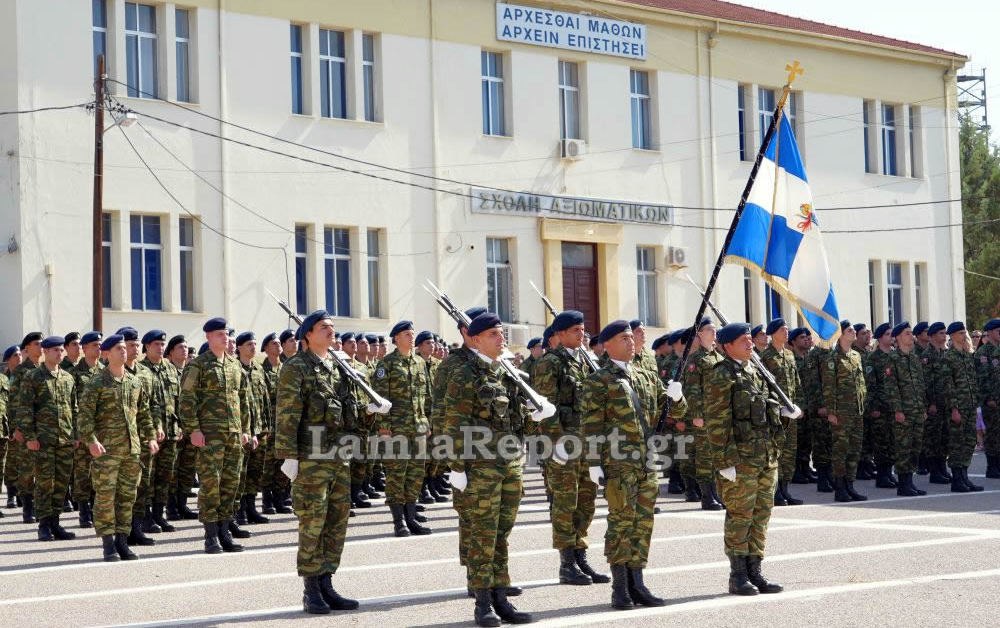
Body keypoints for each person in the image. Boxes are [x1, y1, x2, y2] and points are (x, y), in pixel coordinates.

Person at [443, 313, 546, 626]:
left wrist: (534, 415)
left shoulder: (506, 371)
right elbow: (454, 424)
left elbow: (515, 420)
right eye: (493, 335)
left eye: (501, 334)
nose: (501, 339)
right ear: (476, 339)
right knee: (482, 535)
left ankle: (501, 598)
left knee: (502, 534)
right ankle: (483, 602)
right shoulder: (464, 372)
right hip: (481, 467)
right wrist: (457, 466)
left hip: (509, 463)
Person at [582, 320, 685, 610]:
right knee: (621, 523)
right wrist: (593, 462)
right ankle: (620, 588)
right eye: (624, 338)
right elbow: (591, 425)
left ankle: (638, 583)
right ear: (607, 345)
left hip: (646, 462)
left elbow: (672, 411)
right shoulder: (598, 380)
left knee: (643, 523)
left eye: (631, 338)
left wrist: (677, 397)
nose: (631, 342)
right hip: (618, 464)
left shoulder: (644, 376)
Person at [275, 310, 360, 615]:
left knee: (337, 520)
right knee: (313, 521)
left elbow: (349, 410)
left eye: (333, 327)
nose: (331, 331)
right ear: (308, 334)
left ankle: (327, 582)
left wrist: (371, 410)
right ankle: (311, 589)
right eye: (325, 327)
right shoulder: (295, 368)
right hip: (311, 458)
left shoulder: (339, 367)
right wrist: (288, 455)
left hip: (338, 457)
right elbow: (287, 415)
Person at [704, 322, 798, 596]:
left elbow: (764, 408)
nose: (750, 344)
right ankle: (738, 575)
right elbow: (717, 422)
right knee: (740, 516)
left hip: (765, 456)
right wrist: (725, 462)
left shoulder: (756, 371)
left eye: (750, 340)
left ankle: (756, 571)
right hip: (741, 459)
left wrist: (783, 411)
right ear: (727, 345)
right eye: (743, 340)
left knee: (761, 515)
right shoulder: (721, 376)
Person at [533, 310, 606, 586]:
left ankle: (580, 555)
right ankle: (566, 563)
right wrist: (557, 442)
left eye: (583, 329)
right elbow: (546, 407)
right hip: (564, 446)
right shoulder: (550, 363)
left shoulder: (587, 362)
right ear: (560, 334)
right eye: (575, 330)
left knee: (586, 502)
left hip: (587, 444)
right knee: (565, 502)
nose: (582, 334)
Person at [77, 334, 158, 561]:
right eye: (118, 349)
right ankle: (108, 544)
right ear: (107, 353)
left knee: (127, 497)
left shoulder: (134, 382)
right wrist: (91, 441)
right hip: (107, 452)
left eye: (125, 348)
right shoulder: (96, 383)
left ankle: (123, 540)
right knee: (105, 497)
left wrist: (150, 437)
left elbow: (143, 413)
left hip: (132, 451)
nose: (124, 352)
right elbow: (84, 417)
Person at [178, 317, 251, 553]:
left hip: (233, 434)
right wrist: (194, 429)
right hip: (210, 436)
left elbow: (243, 400)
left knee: (231, 484)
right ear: (208, 337)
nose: (225, 338)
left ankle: (224, 530)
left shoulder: (234, 365)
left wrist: (246, 430)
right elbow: (187, 400)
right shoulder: (198, 365)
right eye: (220, 334)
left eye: (227, 334)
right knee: (211, 484)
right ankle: (210, 535)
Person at [372, 321, 432, 536]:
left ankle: (411, 518)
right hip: (395, 429)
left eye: (412, 334)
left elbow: (426, 397)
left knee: (415, 475)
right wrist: (384, 428)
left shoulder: (419, 363)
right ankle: (399, 522)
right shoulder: (386, 364)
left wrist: (427, 423)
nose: (411, 337)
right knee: (397, 475)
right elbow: (381, 400)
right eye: (407, 334)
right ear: (396, 338)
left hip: (418, 428)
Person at [17, 336, 78, 541]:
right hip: (42, 441)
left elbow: (74, 409)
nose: (59, 353)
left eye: (62, 350)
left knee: (61, 484)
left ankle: (55, 523)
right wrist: (30, 437)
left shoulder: (68, 378)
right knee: (45, 483)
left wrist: (76, 435)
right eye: (55, 350)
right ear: (45, 351)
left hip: (65, 440)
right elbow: (25, 409)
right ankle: (43, 524)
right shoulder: (33, 376)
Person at [822, 321, 868, 502]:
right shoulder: (833, 358)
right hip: (841, 412)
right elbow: (828, 387)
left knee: (854, 450)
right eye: (850, 330)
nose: (854, 332)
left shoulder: (856, 356)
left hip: (857, 411)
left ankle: (850, 485)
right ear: (840, 335)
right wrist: (831, 412)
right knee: (841, 450)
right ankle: (840, 488)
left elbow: (861, 383)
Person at [682, 317, 724, 510]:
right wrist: (696, 414)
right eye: (709, 329)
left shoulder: (719, 357)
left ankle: (716, 492)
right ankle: (707, 496)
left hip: (720, 415)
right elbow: (691, 390)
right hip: (704, 415)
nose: (714, 332)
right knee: (705, 456)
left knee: (718, 455)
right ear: (699, 333)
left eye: (715, 329)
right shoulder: (695, 359)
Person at [760, 318, 803, 506]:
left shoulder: (789, 355)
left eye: (787, 329)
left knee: (790, 452)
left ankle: (786, 489)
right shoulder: (765, 356)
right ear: (773, 333)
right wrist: (775, 409)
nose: (786, 332)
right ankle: (776, 492)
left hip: (791, 412)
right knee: (776, 451)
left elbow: (797, 383)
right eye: (783, 330)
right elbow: (763, 387)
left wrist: (799, 406)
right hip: (776, 413)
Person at [883, 322, 928, 496]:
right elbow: (891, 387)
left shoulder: (915, 358)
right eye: (908, 333)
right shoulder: (892, 359)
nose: (912, 336)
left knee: (915, 447)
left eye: (911, 333)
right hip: (904, 411)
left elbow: (920, 385)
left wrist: (922, 407)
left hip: (917, 410)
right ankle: (903, 484)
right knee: (903, 447)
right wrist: (897, 410)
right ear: (899, 337)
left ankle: (910, 481)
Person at [938, 321, 984, 492]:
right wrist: (954, 409)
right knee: (957, 443)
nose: (964, 335)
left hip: (970, 405)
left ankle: (964, 477)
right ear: (953, 335)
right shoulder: (949, 358)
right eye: (960, 333)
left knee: (969, 442)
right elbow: (948, 385)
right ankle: (957, 479)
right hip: (958, 407)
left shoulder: (967, 356)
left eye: (965, 332)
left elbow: (973, 381)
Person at [70, 331, 104, 528]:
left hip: (103, 431)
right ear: (84, 349)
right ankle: (83, 511)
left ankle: (95, 508)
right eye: (94, 345)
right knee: (83, 472)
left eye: (99, 345)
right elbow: (71, 405)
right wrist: (76, 433)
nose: (98, 348)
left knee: (99, 471)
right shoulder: (75, 374)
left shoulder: (105, 371)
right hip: (84, 431)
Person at [863, 323, 898, 489]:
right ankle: (882, 476)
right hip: (880, 408)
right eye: (888, 334)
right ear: (880, 337)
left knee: (892, 442)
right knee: (881, 443)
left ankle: (889, 473)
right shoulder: (873, 358)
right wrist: (874, 407)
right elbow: (870, 385)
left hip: (894, 406)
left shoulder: (895, 355)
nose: (892, 337)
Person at [974, 319, 1000, 478]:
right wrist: (989, 398)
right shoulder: (983, 353)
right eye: (998, 330)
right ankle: (992, 467)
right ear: (989, 333)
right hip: (992, 401)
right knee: (992, 434)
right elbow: (982, 379)